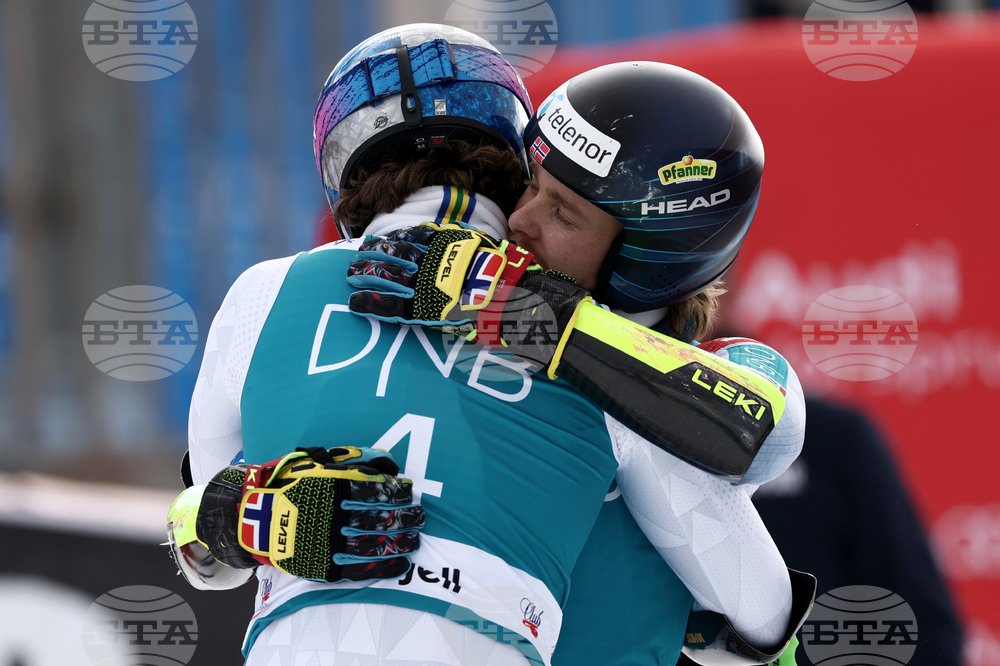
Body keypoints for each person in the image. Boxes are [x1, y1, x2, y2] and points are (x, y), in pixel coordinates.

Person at [173, 24, 811, 666]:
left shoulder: (266, 291)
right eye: (528, 184)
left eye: (563, 212)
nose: (521, 220)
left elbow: (763, 428)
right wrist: (239, 516)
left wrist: (522, 310)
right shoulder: (614, 383)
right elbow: (762, 615)